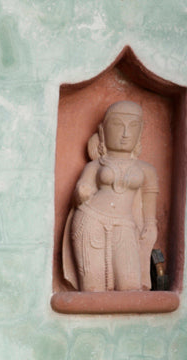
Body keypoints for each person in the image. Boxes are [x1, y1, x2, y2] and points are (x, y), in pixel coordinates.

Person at [63, 99, 159, 292]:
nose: (125, 133)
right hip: (90, 219)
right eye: (117, 125)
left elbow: (150, 208)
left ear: (140, 132)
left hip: (125, 225)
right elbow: (80, 191)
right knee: (92, 286)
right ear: (103, 131)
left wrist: (150, 225)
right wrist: (81, 192)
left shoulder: (146, 170)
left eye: (133, 127)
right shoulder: (95, 165)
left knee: (130, 285)